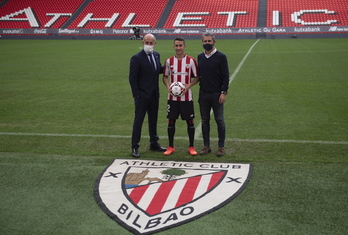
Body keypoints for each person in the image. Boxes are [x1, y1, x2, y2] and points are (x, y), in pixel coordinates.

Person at [129, 34, 166, 158]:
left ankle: (154, 143)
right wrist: (137, 94)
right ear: (142, 42)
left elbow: (155, 71)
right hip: (142, 96)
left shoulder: (156, 55)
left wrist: (169, 66)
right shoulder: (136, 58)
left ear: (155, 43)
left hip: (154, 95)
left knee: (153, 120)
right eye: (147, 42)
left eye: (151, 43)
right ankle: (135, 146)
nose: (149, 45)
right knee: (138, 121)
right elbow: (132, 78)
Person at [162, 37, 199, 156]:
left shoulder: (191, 61)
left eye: (180, 45)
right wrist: (168, 86)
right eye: (176, 46)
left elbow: (197, 77)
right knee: (171, 121)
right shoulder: (168, 61)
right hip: (172, 98)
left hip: (186, 97)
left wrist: (188, 86)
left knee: (190, 121)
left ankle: (191, 147)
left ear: (184, 46)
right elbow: (165, 76)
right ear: (174, 47)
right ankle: (171, 146)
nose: (178, 48)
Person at [197, 33, 229, 157]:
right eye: (205, 41)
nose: (207, 43)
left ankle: (221, 147)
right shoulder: (200, 57)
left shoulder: (221, 57)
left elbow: (225, 76)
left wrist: (223, 92)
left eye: (209, 41)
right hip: (203, 94)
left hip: (217, 94)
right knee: (205, 121)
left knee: (219, 120)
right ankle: (206, 146)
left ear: (214, 41)